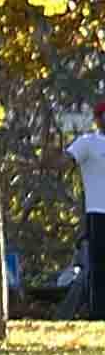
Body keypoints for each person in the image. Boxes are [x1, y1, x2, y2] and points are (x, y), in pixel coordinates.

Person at [67, 96, 105, 321]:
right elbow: (67, 160)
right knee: (99, 264)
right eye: (103, 116)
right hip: (98, 212)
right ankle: (99, 312)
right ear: (97, 119)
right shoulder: (88, 143)